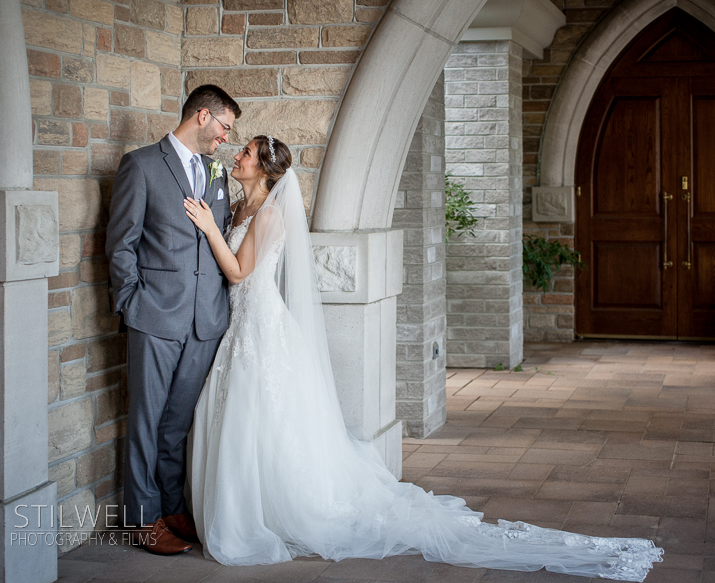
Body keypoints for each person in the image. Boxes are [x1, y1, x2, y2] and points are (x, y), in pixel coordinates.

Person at [184, 135, 664, 581]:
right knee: (256, 418)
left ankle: (266, 511)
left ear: (266, 172)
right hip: (244, 325)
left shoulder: (268, 214)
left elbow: (241, 273)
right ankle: (258, 504)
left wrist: (208, 228)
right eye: (241, 149)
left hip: (259, 323)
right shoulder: (243, 202)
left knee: (260, 416)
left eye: (246, 152)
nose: (238, 156)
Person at [105, 84, 242, 555]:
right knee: (145, 420)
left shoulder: (215, 171)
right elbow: (121, 243)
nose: (226, 138)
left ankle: (170, 504)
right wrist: (130, 303)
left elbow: (218, 234)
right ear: (202, 116)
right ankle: (142, 520)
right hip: (155, 315)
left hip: (206, 319)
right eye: (225, 127)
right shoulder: (141, 165)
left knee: (177, 421)